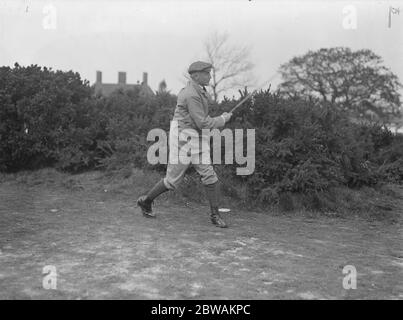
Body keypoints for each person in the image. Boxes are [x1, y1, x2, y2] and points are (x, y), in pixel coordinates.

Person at [137, 61, 232, 228]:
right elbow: (202, 122)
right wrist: (223, 119)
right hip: (183, 139)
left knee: (210, 176)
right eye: (207, 73)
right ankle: (146, 201)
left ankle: (215, 216)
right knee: (172, 181)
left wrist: (219, 119)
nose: (210, 76)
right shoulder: (191, 94)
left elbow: (200, 122)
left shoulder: (199, 91)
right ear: (196, 75)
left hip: (195, 136)